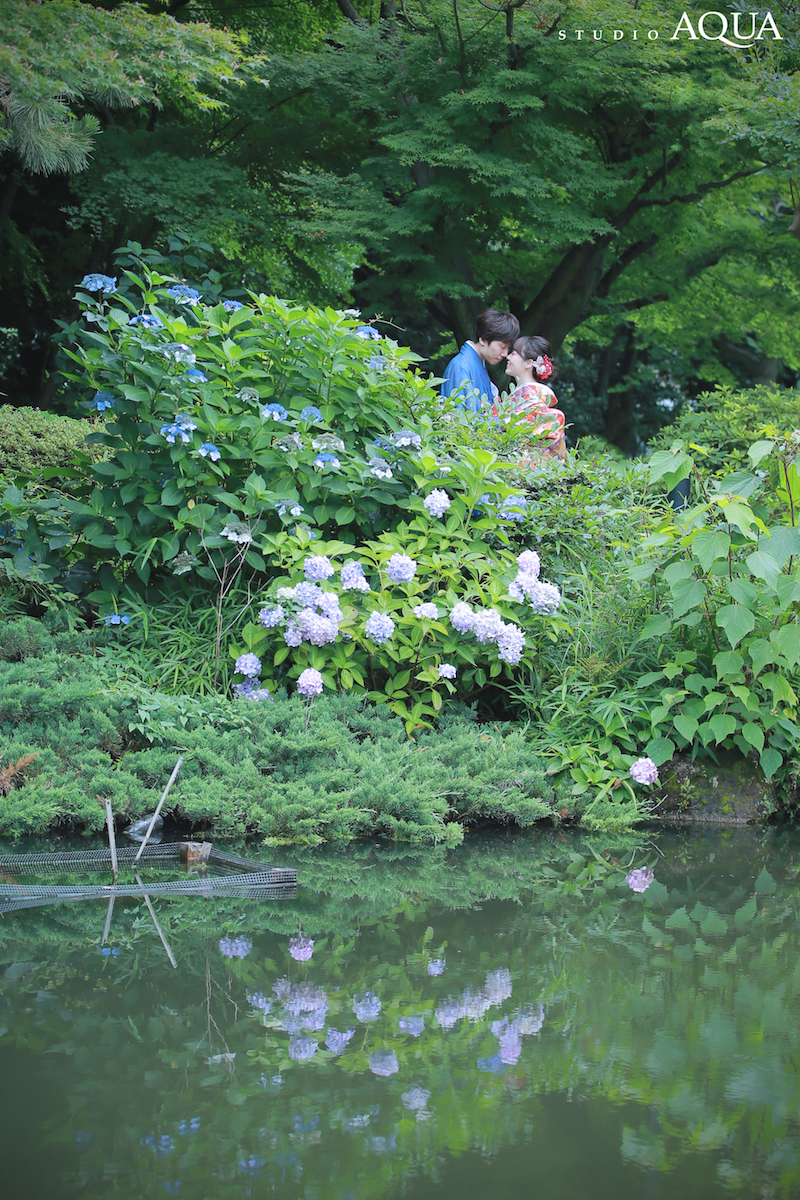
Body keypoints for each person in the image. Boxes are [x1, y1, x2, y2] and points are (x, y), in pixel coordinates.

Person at [500, 334, 567, 462]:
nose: (508, 357)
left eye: (514, 354)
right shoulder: (533, 397)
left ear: (528, 363)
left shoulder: (530, 398)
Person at [441, 309, 520, 412]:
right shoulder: (460, 366)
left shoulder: (475, 363)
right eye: (502, 346)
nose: (505, 354)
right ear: (482, 339)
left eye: (508, 348)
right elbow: (464, 417)